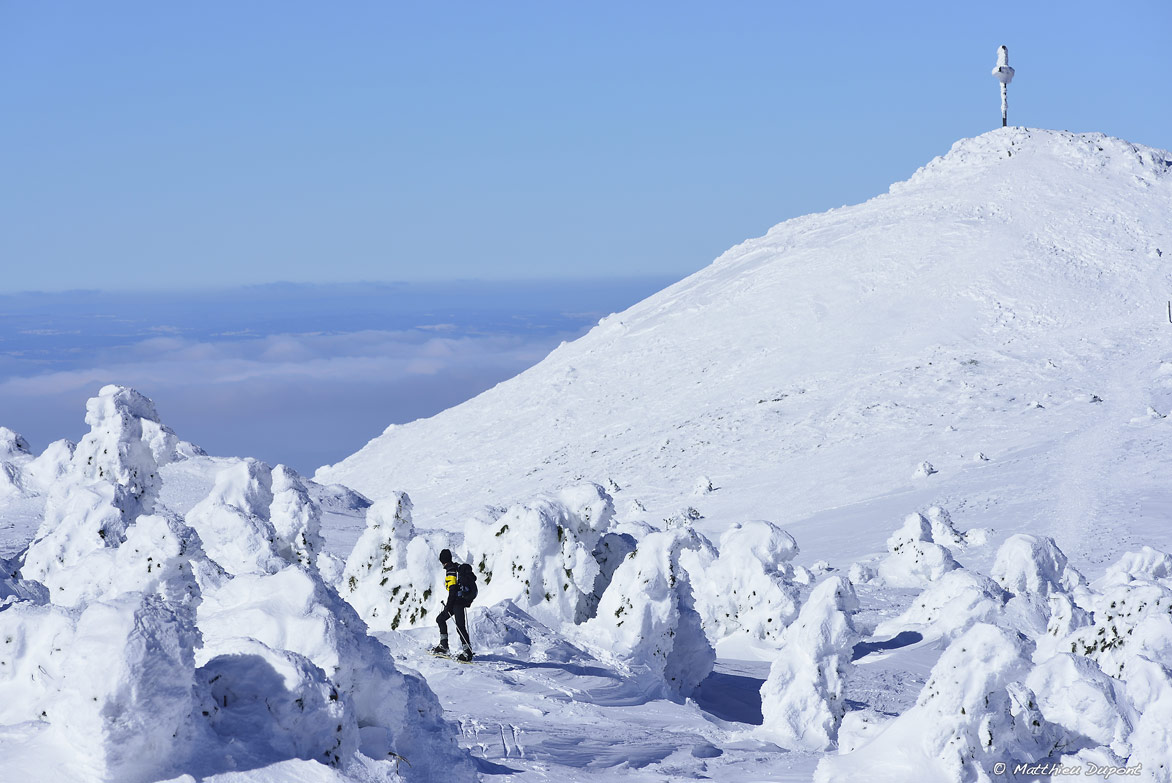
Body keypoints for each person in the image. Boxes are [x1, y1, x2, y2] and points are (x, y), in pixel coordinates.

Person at [432, 548, 473, 661]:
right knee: (441, 619)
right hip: (459, 601)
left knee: (460, 627)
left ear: (442, 561)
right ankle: (444, 646)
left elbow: (453, 590)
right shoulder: (457, 567)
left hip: (457, 602)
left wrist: (448, 607)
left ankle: (467, 652)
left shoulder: (451, 571)